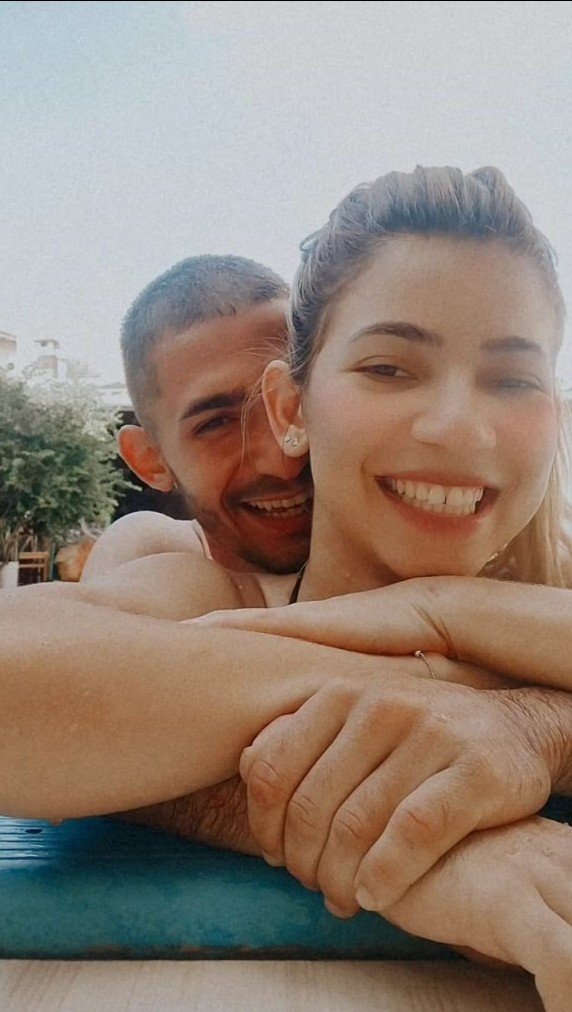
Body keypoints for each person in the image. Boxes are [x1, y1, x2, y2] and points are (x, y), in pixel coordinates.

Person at [2, 168, 572, 1004]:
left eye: (515, 378)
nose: (457, 425)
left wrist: (539, 726)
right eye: (389, 368)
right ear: (294, 409)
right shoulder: (210, 593)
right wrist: (426, 827)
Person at [83, 254, 313, 580]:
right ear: (149, 459)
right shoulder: (151, 557)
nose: (283, 460)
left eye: (297, 402)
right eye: (217, 423)